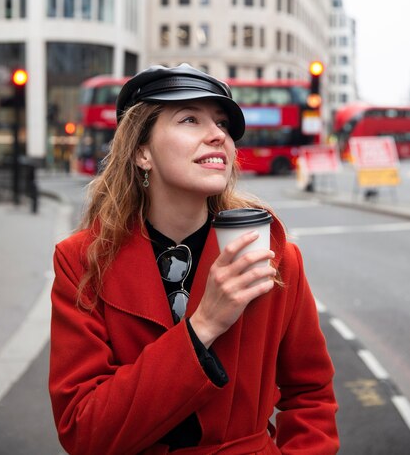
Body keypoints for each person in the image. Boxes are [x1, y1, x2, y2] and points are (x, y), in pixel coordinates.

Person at [49, 63, 339, 455]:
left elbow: (311, 394)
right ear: (142, 152)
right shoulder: (81, 261)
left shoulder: (273, 253)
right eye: (190, 119)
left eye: (222, 123)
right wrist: (203, 324)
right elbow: (84, 432)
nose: (218, 134)